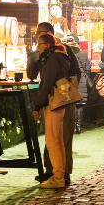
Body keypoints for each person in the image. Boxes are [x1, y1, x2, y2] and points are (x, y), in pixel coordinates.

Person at [27, 22, 80, 185]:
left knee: (61, 138)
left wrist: (65, 88)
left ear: (50, 35)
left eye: (40, 33)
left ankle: (61, 174)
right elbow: (31, 74)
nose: (37, 36)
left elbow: (75, 72)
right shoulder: (44, 54)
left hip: (62, 99)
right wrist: (33, 56)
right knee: (52, 137)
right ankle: (52, 171)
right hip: (52, 99)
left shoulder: (62, 51)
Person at [32, 33, 71, 189]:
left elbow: (46, 84)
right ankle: (59, 173)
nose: (37, 47)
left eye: (39, 44)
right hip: (60, 102)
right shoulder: (58, 56)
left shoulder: (53, 59)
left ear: (47, 45)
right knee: (57, 140)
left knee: (52, 141)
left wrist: (37, 106)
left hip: (54, 102)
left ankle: (58, 176)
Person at [60, 35, 92, 135]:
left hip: (70, 81)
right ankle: (78, 126)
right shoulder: (82, 52)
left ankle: (72, 126)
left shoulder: (64, 53)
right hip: (81, 80)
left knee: (71, 104)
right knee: (80, 104)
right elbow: (88, 68)